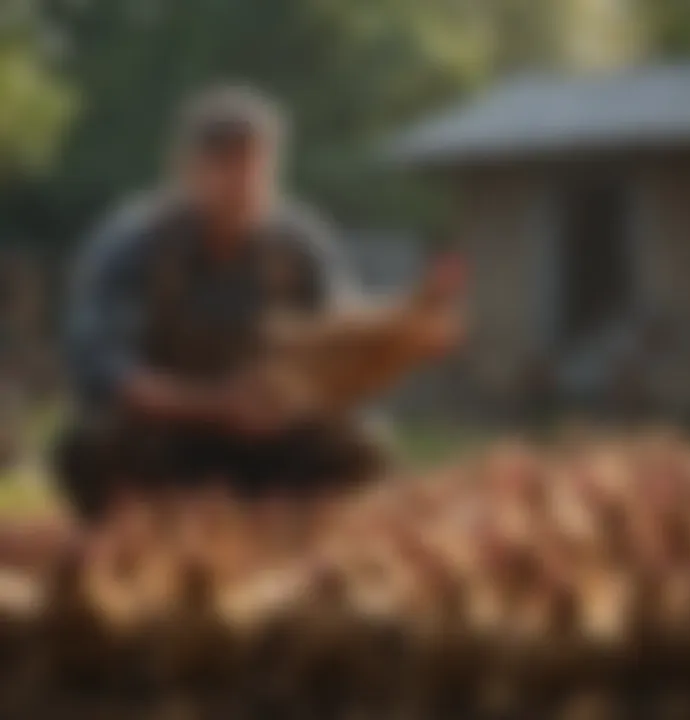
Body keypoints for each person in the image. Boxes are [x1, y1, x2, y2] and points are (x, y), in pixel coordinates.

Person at [54, 85, 458, 522]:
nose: (243, 184)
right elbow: (109, 373)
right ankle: (138, 533)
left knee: (364, 445)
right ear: (185, 168)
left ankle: (289, 532)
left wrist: (403, 335)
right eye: (225, 165)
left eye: (256, 166)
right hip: (167, 438)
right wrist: (219, 405)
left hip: (271, 441)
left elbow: (341, 338)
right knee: (90, 445)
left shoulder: (299, 243)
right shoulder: (132, 245)